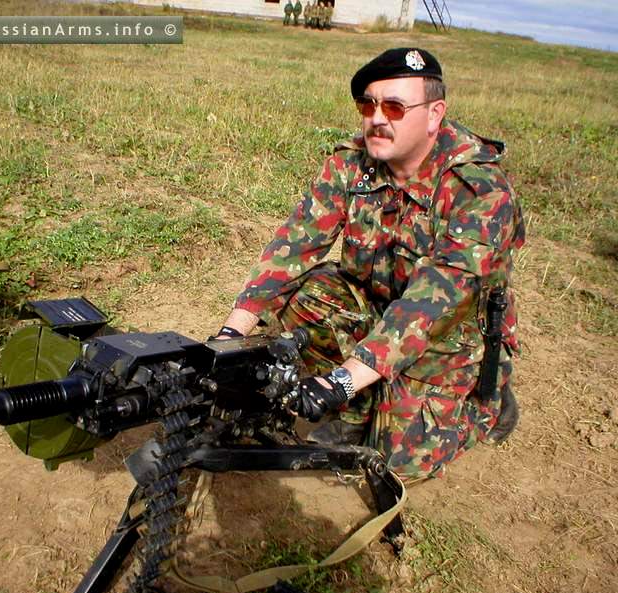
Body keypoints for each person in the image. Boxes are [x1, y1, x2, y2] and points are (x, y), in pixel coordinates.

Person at [215, 48, 525, 480]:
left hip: (449, 335)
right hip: (377, 307)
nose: (377, 118)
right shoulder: (351, 163)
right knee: (304, 294)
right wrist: (230, 336)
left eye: (395, 107)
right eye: (368, 105)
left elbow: (431, 305)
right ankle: (358, 409)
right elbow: (294, 246)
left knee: (394, 464)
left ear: (434, 114)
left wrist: (340, 381)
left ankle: (484, 402)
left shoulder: (481, 191)